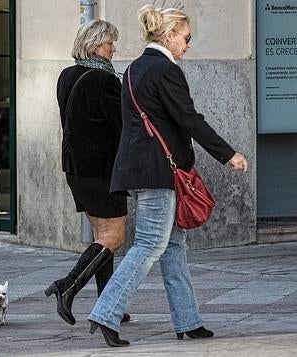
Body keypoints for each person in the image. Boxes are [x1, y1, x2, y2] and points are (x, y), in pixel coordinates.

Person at [87, 4, 248, 347]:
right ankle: (106, 313)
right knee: (149, 244)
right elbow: (189, 119)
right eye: (187, 38)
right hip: (160, 171)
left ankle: (188, 320)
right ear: (170, 35)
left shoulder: (133, 68)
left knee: (173, 246)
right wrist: (227, 153)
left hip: (142, 169)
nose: (188, 45)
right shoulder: (165, 70)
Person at [46, 19, 130, 326]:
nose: (113, 49)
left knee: (101, 237)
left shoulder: (66, 75)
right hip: (102, 171)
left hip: (76, 169)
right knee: (114, 235)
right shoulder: (105, 80)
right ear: (95, 45)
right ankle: (67, 287)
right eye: (109, 43)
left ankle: (108, 303)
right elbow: (122, 129)